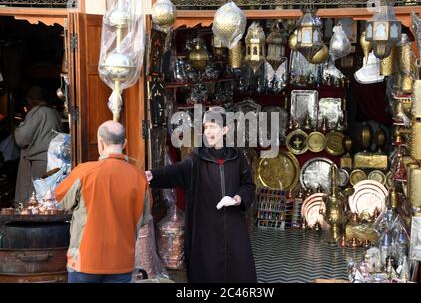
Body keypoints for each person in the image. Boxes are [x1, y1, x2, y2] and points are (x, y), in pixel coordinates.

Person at [147, 107, 257, 283]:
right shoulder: (196, 158)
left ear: (225, 130)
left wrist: (237, 199)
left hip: (234, 227)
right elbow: (177, 171)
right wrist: (154, 175)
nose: (208, 132)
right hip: (206, 230)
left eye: (213, 126)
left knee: (239, 270)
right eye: (206, 127)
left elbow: (249, 186)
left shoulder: (237, 158)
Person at [55, 121, 151, 283]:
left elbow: (61, 200)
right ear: (124, 143)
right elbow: (144, 218)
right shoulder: (140, 178)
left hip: (85, 260)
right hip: (121, 261)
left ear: (100, 143)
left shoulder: (84, 172)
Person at [14, 86, 62, 204]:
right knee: (47, 198)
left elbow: (22, 138)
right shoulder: (54, 112)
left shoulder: (38, 112)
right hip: (53, 161)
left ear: (31, 100)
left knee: (35, 199)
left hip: (38, 163)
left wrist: (16, 128)